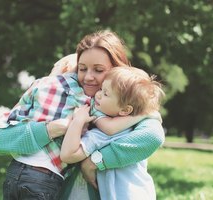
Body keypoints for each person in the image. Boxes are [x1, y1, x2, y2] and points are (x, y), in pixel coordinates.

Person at [0, 30, 164, 200]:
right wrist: (53, 128)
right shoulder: (60, 96)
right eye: (82, 69)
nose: (88, 77)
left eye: (99, 70)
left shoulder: (132, 106)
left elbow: (152, 136)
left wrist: (94, 162)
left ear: (117, 72)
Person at [60, 66, 165, 200]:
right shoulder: (135, 129)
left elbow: (68, 155)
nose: (97, 95)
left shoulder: (103, 135)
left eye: (105, 93)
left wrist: (78, 121)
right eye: (100, 89)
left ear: (125, 110)